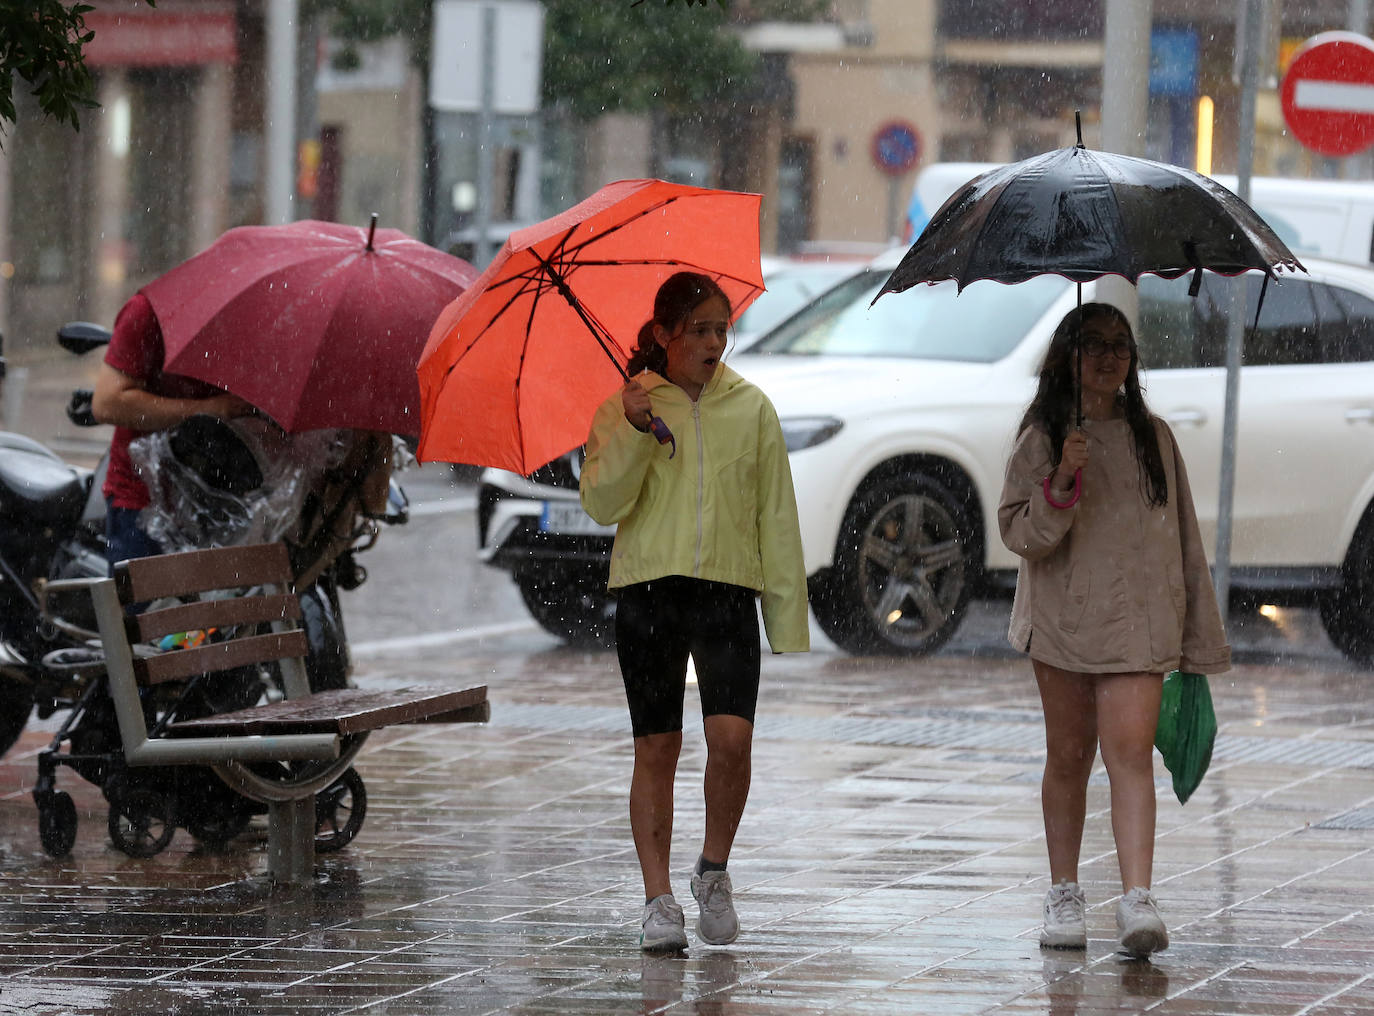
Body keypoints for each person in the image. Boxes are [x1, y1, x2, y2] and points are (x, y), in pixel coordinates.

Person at [579, 271, 809, 952]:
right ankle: (657, 900)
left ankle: (713, 868)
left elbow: (777, 516)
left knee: (731, 742)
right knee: (657, 745)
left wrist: (786, 621)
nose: (714, 342)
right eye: (701, 329)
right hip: (650, 591)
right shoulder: (625, 407)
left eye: (721, 329)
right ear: (664, 335)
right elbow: (602, 504)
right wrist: (635, 430)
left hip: (727, 593)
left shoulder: (752, 407)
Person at [997, 302, 1230, 959]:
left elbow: (1181, 539)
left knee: (1130, 758)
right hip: (1065, 623)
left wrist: (1194, 638)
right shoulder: (1044, 435)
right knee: (1069, 758)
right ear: (1066, 358)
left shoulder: (1153, 436)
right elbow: (1019, 532)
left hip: (1138, 624)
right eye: (1093, 344)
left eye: (1120, 345)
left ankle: (1137, 899)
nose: (1109, 356)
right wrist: (1063, 478)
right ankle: (1065, 890)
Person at [91, 290, 254, 569]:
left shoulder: (261, 318)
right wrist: (211, 409)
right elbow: (107, 403)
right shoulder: (151, 310)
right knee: (146, 611)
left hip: (229, 503)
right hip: (144, 506)